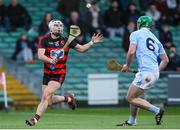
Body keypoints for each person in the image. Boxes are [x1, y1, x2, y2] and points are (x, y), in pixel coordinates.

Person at [25, 19, 103, 126]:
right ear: (51, 28)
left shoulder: (67, 40)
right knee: (49, 101)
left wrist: (91, 42)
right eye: (56, 25)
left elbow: (82, 49)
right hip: (47, 74)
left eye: (60, 26)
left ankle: (34, 119)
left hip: (59, 74)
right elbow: (40, 55)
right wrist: (50, 60)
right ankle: (69, 98)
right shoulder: (44, 40)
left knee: (45, 95)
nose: (59, 27)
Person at [119, 16, 169, 126]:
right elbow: (165, 60)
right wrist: (155, 72)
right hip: (154, 73)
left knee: (130, 98)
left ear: (140, 24)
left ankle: (157, 111)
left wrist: (127, 65)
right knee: (135, 97)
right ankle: (132, 121)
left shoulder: (135, 34)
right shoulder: (156, 39)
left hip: (146, 73)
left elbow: (131, 52)